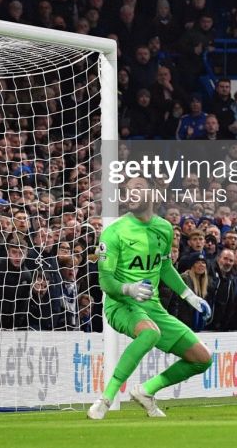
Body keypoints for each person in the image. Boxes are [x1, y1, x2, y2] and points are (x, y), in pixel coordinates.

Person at [87, 176, 213, 420]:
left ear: (153, 194)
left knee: (202, 359)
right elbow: (106, 282)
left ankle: (146, 391)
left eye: (137, 188)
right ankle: (105, 399)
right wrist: (128, 289)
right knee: (150, 332)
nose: (130, 193)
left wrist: (190, 296)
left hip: (152, 308)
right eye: (127, 190)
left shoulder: (164, 229)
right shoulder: (114, 232)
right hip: (120, 304)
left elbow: (164, 267)